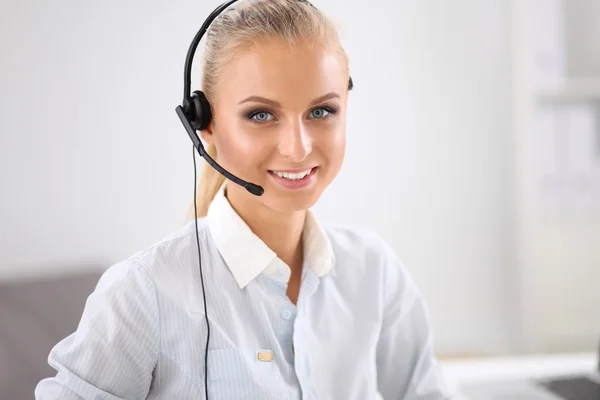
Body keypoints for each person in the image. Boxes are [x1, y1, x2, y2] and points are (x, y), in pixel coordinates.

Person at [35, 0, 450, 398]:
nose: (298, 148)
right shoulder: (144, 293)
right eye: (261, 115)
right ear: (205, 125)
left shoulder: (373, 271)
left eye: (321, 111)